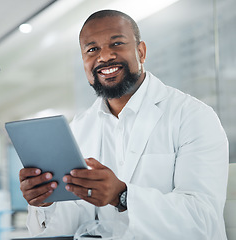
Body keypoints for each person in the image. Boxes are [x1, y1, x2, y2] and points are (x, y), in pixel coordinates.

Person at [19, 10, 229, 239]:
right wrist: (46, 201)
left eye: (116, 43)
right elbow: (73, 225)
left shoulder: (192, 116)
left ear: (141, 51)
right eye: (92, 49)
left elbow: (203, 219)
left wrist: (122, 196)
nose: (104, 56)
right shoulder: (79, 128)